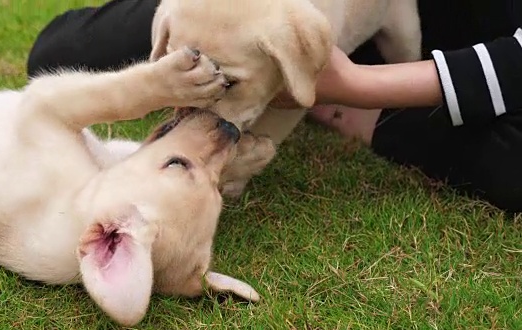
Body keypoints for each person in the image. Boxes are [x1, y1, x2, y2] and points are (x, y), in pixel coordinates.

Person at [26, 0, 522, 212]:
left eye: (228, 85)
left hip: (448, 34)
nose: (204, 109)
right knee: (60, 59)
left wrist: (352, 84)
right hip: (231, 17)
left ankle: (360, 115)